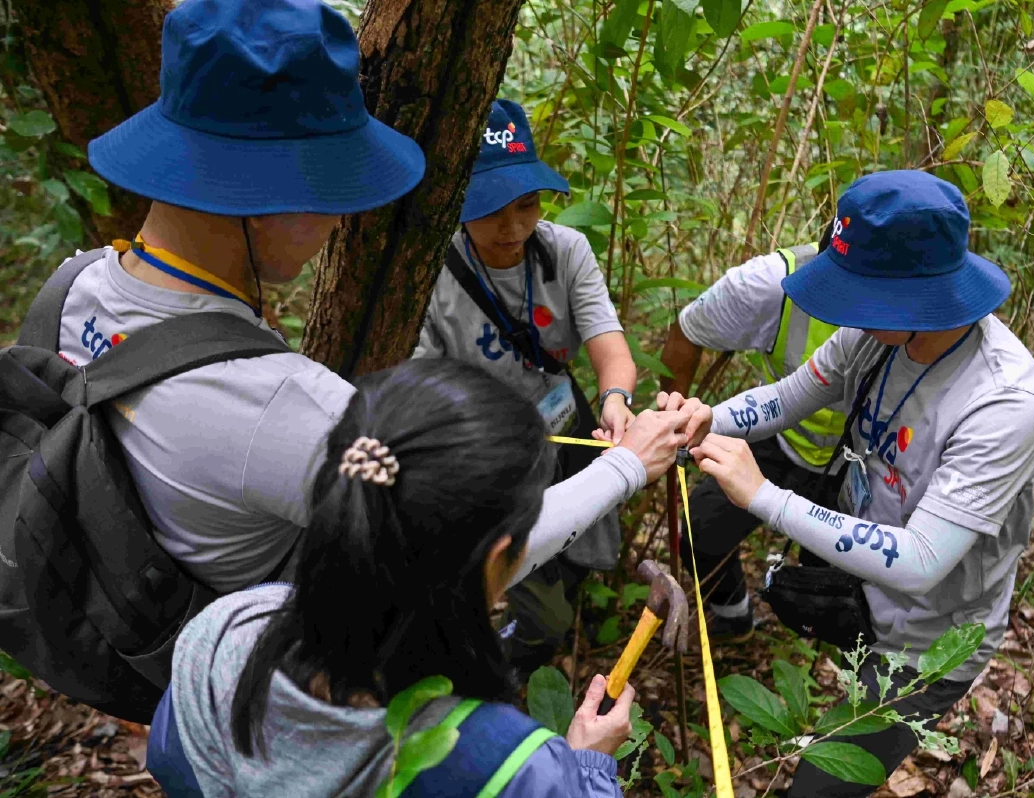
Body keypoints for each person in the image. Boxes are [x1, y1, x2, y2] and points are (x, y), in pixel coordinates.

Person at [64, 0, 689, 598]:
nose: (341, 222)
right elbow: (475, 562)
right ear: (268, 196)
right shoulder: (289, 409)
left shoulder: (73, 288)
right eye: (334, 191)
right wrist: (629, 464)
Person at [687, 171, 1034, 797]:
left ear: (916, 295)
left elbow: (920, 562)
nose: (844, 310)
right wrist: (704, 419)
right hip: (866, 594)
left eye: (859, 292)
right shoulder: (874, 335)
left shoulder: (1005, 402)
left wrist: (765, 497)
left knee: (818, 789)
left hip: (933, 642)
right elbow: (787, 399)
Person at [146, 360, 638, 798]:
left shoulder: (224, 633)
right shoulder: (510, 766)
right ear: (497, 560)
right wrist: (587, 767)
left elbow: (174, 763)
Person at [413, 99, 638, 673]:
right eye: (489, 210)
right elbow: (424, 384)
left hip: (568, 423)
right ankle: (510, 661)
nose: (512, 227)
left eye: (527, 205)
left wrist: (616, 399)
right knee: (536, 598)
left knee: (584, 539)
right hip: (488, 449)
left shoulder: (564, 251)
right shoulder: (432, 273)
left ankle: (555, 627)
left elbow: (607, 342)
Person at [659, 236, 845, 641]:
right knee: (700, 534)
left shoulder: (921, 316)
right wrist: (681, 424)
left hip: (860, 463)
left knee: (829, 578)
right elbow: (784, 398)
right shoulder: (770, 283)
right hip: (778, 440)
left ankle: (818, 648)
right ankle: (733, 615)